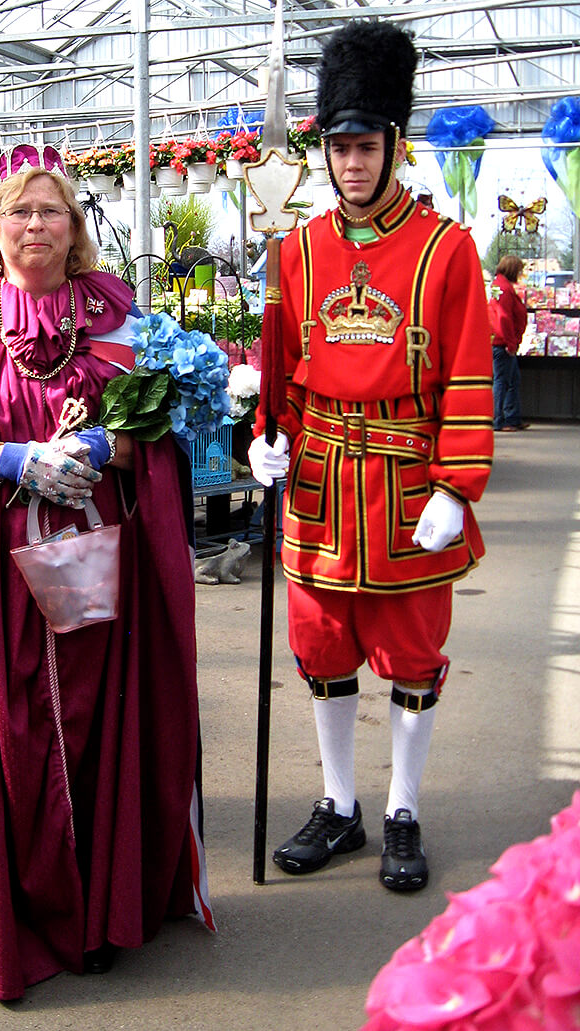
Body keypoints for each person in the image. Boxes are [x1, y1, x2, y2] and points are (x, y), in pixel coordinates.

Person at [0, 144, 210, 1000]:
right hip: (0, 579)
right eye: (20, 211)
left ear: (76, 228)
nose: (35, 224)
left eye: (52, 211)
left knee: (97, 726)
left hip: (100, 566)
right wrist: (12, 459)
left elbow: (167, 437)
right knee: (17, 735)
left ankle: (99, 910)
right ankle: (20, 910)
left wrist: (114, 443)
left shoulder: (120, 320)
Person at [248, 20, 493, 893]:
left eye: (366, 145)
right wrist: (264, 439)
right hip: (319, 486)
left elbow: (468, 370)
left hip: (403, 489)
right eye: (339, 147)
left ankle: (402, 811)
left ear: (395, 142)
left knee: (413, 656)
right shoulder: (298, 251)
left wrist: (457, 487)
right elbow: (279, 370)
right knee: (320, 649)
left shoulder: (447, 249)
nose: (351, 163)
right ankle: (341, 805)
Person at [489, 254, 530, 431]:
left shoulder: (497, 285)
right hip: (504, 343)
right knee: (503, 381)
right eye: (519, 270)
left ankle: (511, 418)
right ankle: (499, 420)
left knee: (511, 380)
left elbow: (496, 311)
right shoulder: (504, 288)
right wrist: (511, 343)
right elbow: (504, 316)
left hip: (500, 340)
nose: (520, 274)